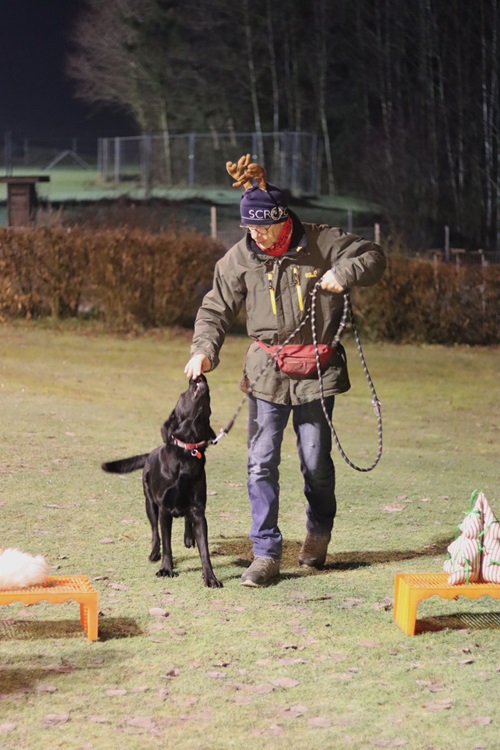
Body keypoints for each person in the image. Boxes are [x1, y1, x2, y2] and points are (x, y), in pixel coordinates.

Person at [184, 156, 386, 587]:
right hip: (266, 374)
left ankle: (317, 533)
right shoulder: (240, 258)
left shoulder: (322, 241)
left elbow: (374, 256)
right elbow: (215, 308)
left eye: (261, 228)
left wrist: (343, 271)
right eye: (249, 229)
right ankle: (266, 553)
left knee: (315, 462)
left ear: (281, 222)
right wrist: (203, 351)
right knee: (260, 462)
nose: (255, 235)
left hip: (317, 373)